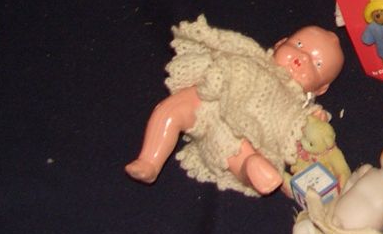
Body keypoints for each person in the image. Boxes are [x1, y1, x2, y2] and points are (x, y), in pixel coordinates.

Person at [125, 16, 343, 196]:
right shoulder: (253, 57)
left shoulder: (296, 107)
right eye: (298, 45)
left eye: (317, 64)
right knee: (172, 109)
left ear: (320, 89)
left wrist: (315, 121)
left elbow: (302, 129)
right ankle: (149, 161)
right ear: (280, 43)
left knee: (243, 154)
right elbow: (225, 51)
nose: (302, 58)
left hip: (243, 138)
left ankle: (252, 169)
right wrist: (214, 71)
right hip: (210, 103)